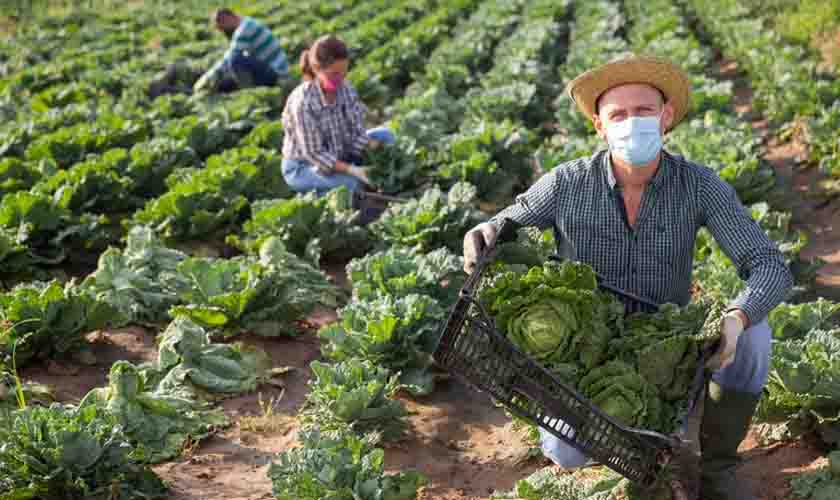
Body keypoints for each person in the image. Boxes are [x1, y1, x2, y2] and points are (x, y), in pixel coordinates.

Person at [462, 55, 793, 500]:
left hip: (669, 347)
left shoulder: (699, 185)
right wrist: (483, 231)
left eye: (643, 112)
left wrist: (736, 315)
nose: (631, 124)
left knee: (755, 334)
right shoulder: (565, 184)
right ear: (599, 125)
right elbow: (506, 224)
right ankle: (638, 440)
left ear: (666, 117)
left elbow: (769, 266)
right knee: (568, 452)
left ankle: (717, 468)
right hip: (587, 357)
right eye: (618, 115)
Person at [280, 34, 395, 195]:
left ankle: (343, 181)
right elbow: (315, 153)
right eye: (334, 74)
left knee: (385, 135)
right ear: (316, 70)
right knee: (351, 185)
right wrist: (353, 170)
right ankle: (313, 192)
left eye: (344, 72)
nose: (341, 79)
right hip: (306, 166)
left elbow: (356, 133)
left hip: (341, 153)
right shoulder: (304, 102)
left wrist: (373, 146)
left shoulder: (346, 88)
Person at [193, 8, 290, 94]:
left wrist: (205, 79)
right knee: (227, 82)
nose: (224, 31)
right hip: (272, 68)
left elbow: (229, 58)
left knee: (235, 60)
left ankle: (249, 93)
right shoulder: (247, 22)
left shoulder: (244, 30)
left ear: (229, 18)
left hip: (276, 73)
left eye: (222, 26)